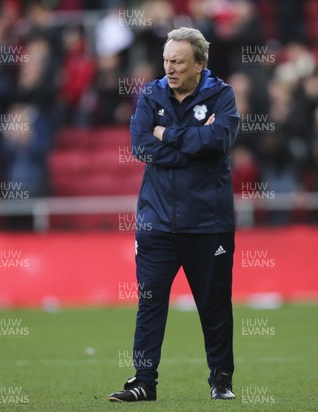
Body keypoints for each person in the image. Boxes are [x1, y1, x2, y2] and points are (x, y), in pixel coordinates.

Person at [108, 27, 240, 402]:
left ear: (200, 64)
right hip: (157, 223)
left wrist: (167, 134)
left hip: (208, 223)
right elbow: (141, 146)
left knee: (214, 305)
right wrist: (192, 143)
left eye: (178, 62)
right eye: (166, 60)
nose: (170, 68)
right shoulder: (151, 94)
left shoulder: (222, 95)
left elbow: (220, 141)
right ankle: (143, 381)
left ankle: (221, 378)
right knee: (149, 303)